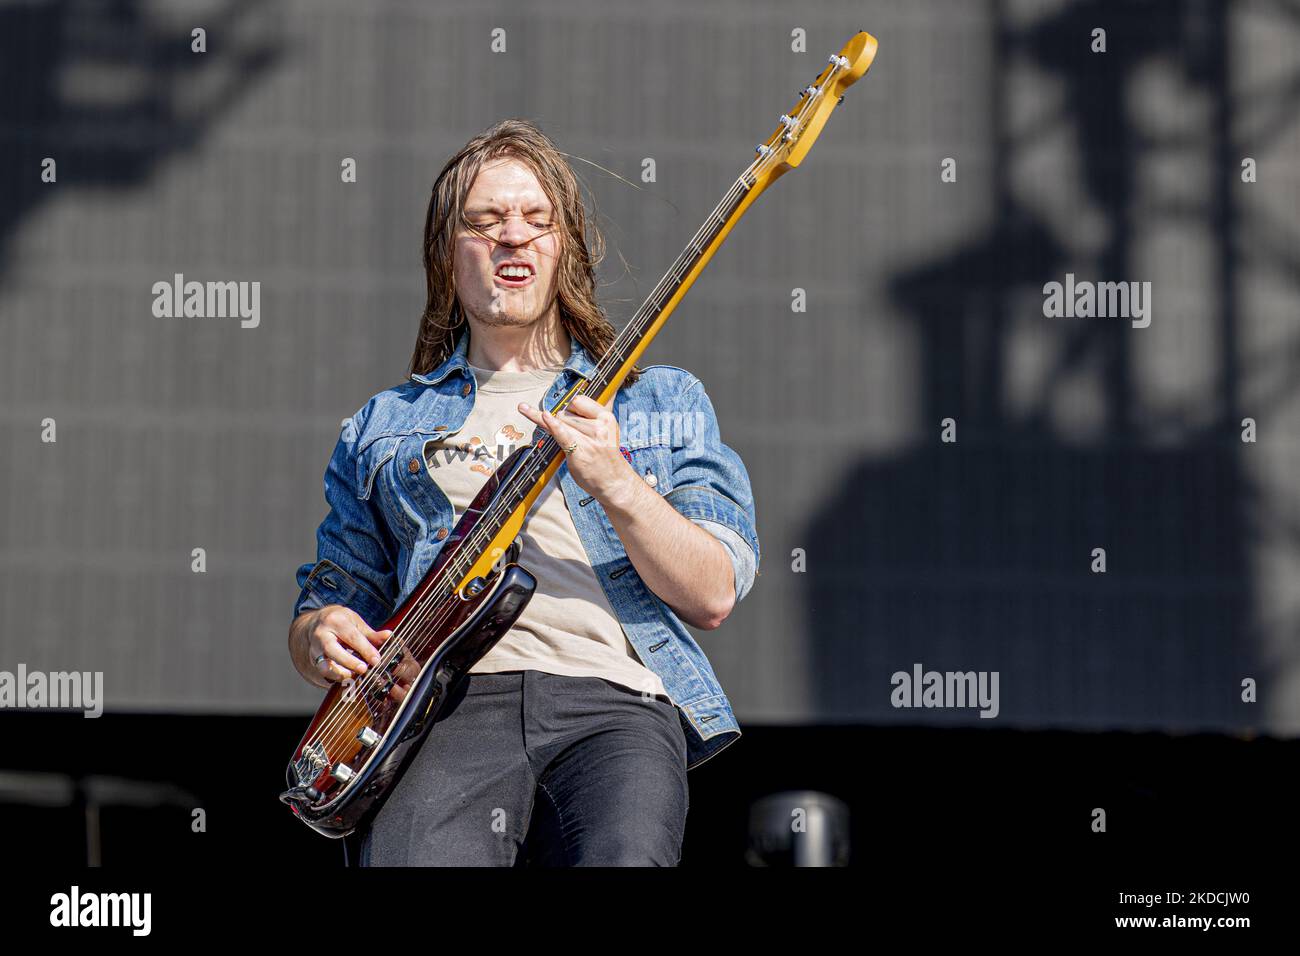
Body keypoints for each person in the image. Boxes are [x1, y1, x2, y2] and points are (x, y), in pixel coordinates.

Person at [287, 118, 760, 866]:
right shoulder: (384, 424)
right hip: (443, 710)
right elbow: (333, 594)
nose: (514, 237)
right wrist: (317, 634)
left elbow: (714, 592)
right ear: (449, 251)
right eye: (487, 220)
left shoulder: (657, 400)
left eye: (538, 221)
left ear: (564, 246)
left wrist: (617, 484)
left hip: (614, 703)